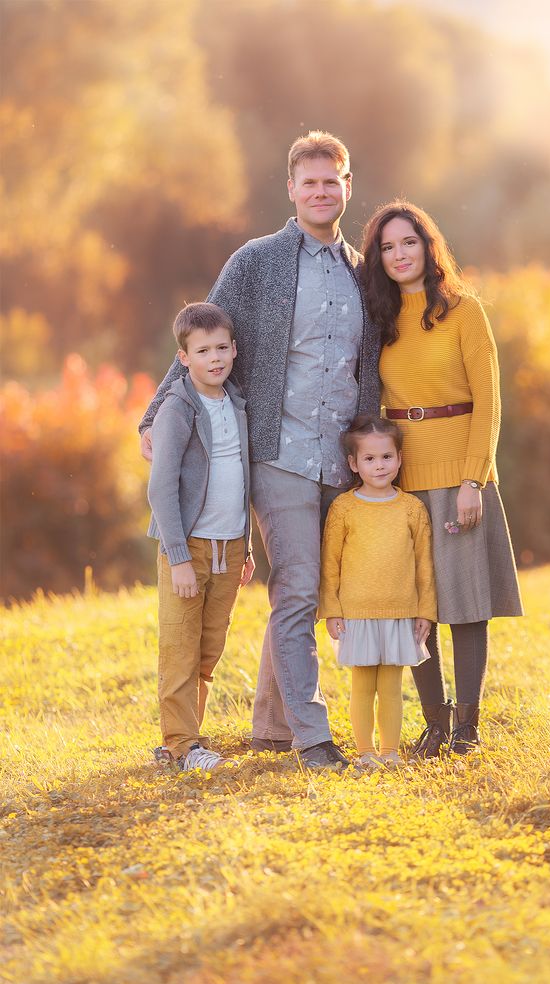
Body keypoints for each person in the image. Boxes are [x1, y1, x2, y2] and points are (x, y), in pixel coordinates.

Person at [139, 132, 380, 770]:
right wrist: (156, 412)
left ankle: (273, 728)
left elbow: (371, 364)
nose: (321, 192)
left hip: (341, 459)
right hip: (277, 452)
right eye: (309, 182)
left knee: (308, 592)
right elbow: (200, 335)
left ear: (347, 187)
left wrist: (372, 442)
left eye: (332, 181)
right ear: (291, 188)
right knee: (298, 588)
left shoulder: (362, 272)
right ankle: (313, 737)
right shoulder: (256, 261)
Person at [360, 201, 523, 757]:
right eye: (387, 247)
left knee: (466, 603)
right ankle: (435, 722)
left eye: (409, 242)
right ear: (378, 259)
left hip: (459, 478)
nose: (399, 254)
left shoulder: (465, 311)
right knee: (414, 604)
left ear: (429, 247)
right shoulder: (379, 321)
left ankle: (468, 727)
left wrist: (474, 479)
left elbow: (489, 402)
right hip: (402, 481)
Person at [148, 302, 254, 772]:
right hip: (188, 548)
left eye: (221, 348)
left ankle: (189, 740)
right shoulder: (177, 409)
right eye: (203, 350)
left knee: (208, 651)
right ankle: (181, 746)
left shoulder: (237, 403)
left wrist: (246, 547)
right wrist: (178, 559)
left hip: (229, 546)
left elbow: (242, 480)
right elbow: (161, 488)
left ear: (234, 350)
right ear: (184, 357)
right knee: (180, 649)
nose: (215, 358)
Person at [319, 415, 437, 768]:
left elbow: (425, 565)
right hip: (356, 612)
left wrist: (425, 611)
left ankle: (390, 752)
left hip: (401, 611)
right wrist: (331, 609)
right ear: (354, 463)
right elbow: (330, 563)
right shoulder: (344, 507)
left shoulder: (412, 508)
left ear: (400, 458)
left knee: (391, 687)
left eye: (387, 456)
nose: (380, 465)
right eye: (369, 459)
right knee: (362, 686)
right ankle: (366, 753)